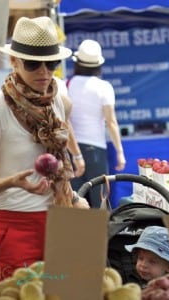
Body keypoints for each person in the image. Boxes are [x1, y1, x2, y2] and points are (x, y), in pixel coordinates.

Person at [0, 16, 89, 291]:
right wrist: (11, 181)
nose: (44, 72)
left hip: (62, 221)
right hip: (12, 229)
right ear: (14, 62)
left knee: (73, 295)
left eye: (51, 63)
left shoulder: (59, 100)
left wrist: (74, 196)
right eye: (33, 63)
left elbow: (60, 154)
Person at [67, 39, 126, 208]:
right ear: (98, 65)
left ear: (77, 63)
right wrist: (120, 152)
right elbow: (111, 121)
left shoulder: (66, 84)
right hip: (95, 150)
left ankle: (73, 234)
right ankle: (101, 235)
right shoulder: (104, 87)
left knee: (73, 201)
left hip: (72, 149)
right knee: (100, 201)